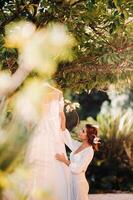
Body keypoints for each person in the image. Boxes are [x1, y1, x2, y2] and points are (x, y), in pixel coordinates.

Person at [25, 83, 70, 200]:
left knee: (38, 160)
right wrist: (62, 131)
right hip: (55, 134)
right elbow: (63, 117)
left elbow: (30, 120)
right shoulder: (58, 94)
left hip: (40, 133)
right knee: (56, 161)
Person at [55, 124, 100, 200]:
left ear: (88, 136)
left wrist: (64, 160)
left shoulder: (89, 151)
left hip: (79, 183)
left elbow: (78, 168)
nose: (79, 132)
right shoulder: (78, 145)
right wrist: (63, 121)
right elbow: (67, 139)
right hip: (71, 181)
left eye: (83, 131)